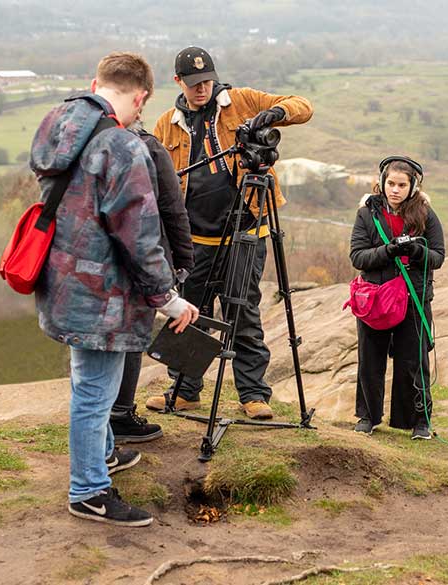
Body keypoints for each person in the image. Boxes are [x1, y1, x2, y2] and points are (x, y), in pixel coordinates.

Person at [30, 52, 199, 526]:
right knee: (93, 391)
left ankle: (101, 453)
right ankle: (88, 490)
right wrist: (167, 297)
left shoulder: (56, 123)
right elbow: (140, 234)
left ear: (95, 83)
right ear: (141, 96)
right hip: (102, 293)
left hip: (61, 277)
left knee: (88, 379)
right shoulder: (123, 147)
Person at [146, 46, 313, 420]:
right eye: (193, 83)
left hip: (246, 228)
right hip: (193, 237)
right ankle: (185, 390)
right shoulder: (166, 124)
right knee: (190, 311)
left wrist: (273, 114)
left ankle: (253, 394)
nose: (201, 89)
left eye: (206, 81)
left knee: (242, 308)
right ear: (179, 82)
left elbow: (303, 105)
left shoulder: (241, 101)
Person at [109, 116, 195, 444]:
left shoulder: (86, 145)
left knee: (101, 339)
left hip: (93, 263)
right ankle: (120, 416)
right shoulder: (149, 147)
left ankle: (104, 416)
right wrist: (184, 259)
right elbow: (173, 209)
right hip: (141, 257)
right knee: (133, 336)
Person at [349, 157, 445, 440]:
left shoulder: (426, 214)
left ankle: (419, 421)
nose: (395, 190)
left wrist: (417, 252)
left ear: (412, 186)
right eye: (391, 183)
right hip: (376, 299)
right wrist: (387, 251)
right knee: (370, 358)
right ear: (382, 182)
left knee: (413, 360)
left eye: (402, 185)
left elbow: (438, 256)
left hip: (413, 298)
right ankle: (367, 416)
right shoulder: (367, 213)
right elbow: (357, 256)